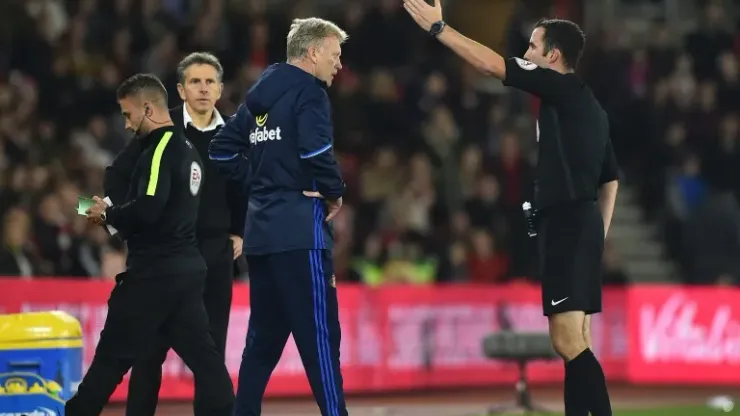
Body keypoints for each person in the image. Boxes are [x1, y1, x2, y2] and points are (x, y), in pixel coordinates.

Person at [402, 3, 618, 416]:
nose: (527, 53)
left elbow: (489, 64)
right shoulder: (592, 108)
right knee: (576, 341)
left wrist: (439, 29)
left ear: (553, 55)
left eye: (534, 47)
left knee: (568, 341)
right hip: (582, 225)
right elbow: (611, 179)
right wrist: (598, 234)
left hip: (567, 223)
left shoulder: (557, 86)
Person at [65, 73, 235, 416]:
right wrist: (109, 215)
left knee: (109, 360)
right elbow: (167, 212)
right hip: (187, 272)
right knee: (207, 363)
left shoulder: (159, 149)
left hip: (154, 275)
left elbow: (148, 208)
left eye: (128, 115)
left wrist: (106, 214)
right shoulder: (189, 152)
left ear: (147, 109)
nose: (127, 125)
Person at [209, 17, 348, 416]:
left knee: (262, 345)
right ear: (313, 52)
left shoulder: (259, 98)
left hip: (261, 237)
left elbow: (221, 149)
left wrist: (260, 181)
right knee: (321, 341)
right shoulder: (310, 92)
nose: (338, 64)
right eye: (335, 55)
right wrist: (334, 191)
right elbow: (315, 151)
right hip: (300, 234)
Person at [123, 52, 246, 416]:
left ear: (220, 89)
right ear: (180, 90)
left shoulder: (235, 134)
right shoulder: (159, 129)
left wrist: (240, 231)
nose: (203, 89)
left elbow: (243, 186)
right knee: (148, 351)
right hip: (165, 255)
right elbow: (122, 176)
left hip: (215, 253)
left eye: (210, 82)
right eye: (195, 81)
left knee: (211, 353)